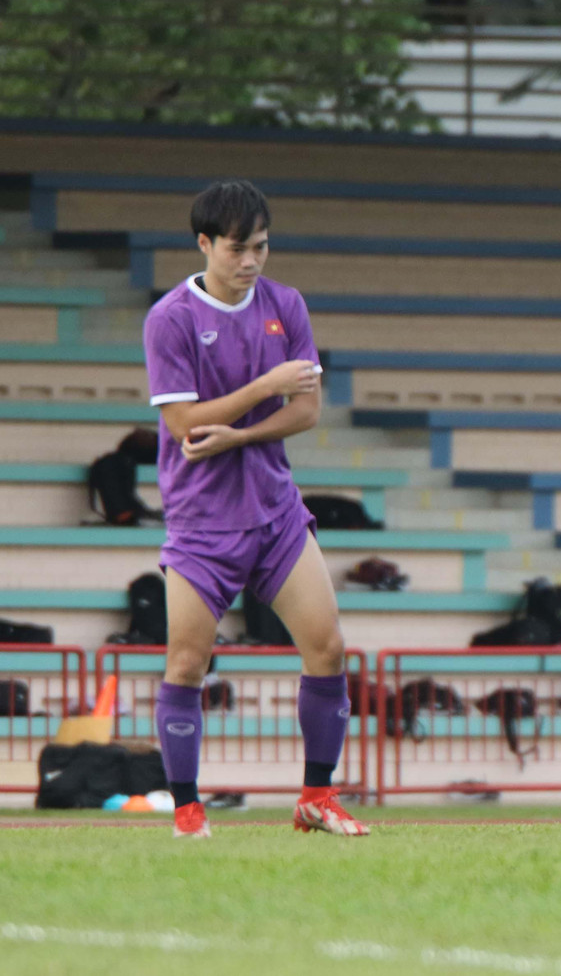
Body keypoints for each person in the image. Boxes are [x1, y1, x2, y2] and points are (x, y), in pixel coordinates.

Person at [142, 180, 369, 839]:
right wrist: (265, 386)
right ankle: (187, 809)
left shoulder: (286, 305)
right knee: (187, 663)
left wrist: (241, 434)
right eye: (239, 248)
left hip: (275, 511)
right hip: (202, 520)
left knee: (327, 647)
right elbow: (184, 420)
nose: (252, 261)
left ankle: (316, 797)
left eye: (262, 246)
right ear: (205, 243)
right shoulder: (171, 318)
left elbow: (307, 409)